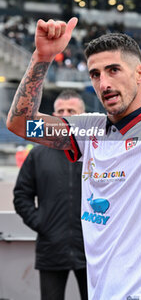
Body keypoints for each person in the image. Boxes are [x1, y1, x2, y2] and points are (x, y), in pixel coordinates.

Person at [7, 8, 141, 300]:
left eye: (114, 70)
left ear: (140, 74)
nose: (104, 83)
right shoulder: (89, 131)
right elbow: (21, 124)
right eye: (96, 74)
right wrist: (42, 57)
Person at [13, 90, 88, 300]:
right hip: (51, 249)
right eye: (60, 111)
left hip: (92, 249)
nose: (65, 115)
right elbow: (21, 196)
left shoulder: (95, 153)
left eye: (71, 111)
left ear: (83, 116)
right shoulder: (37, 154)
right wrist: (42, 223)